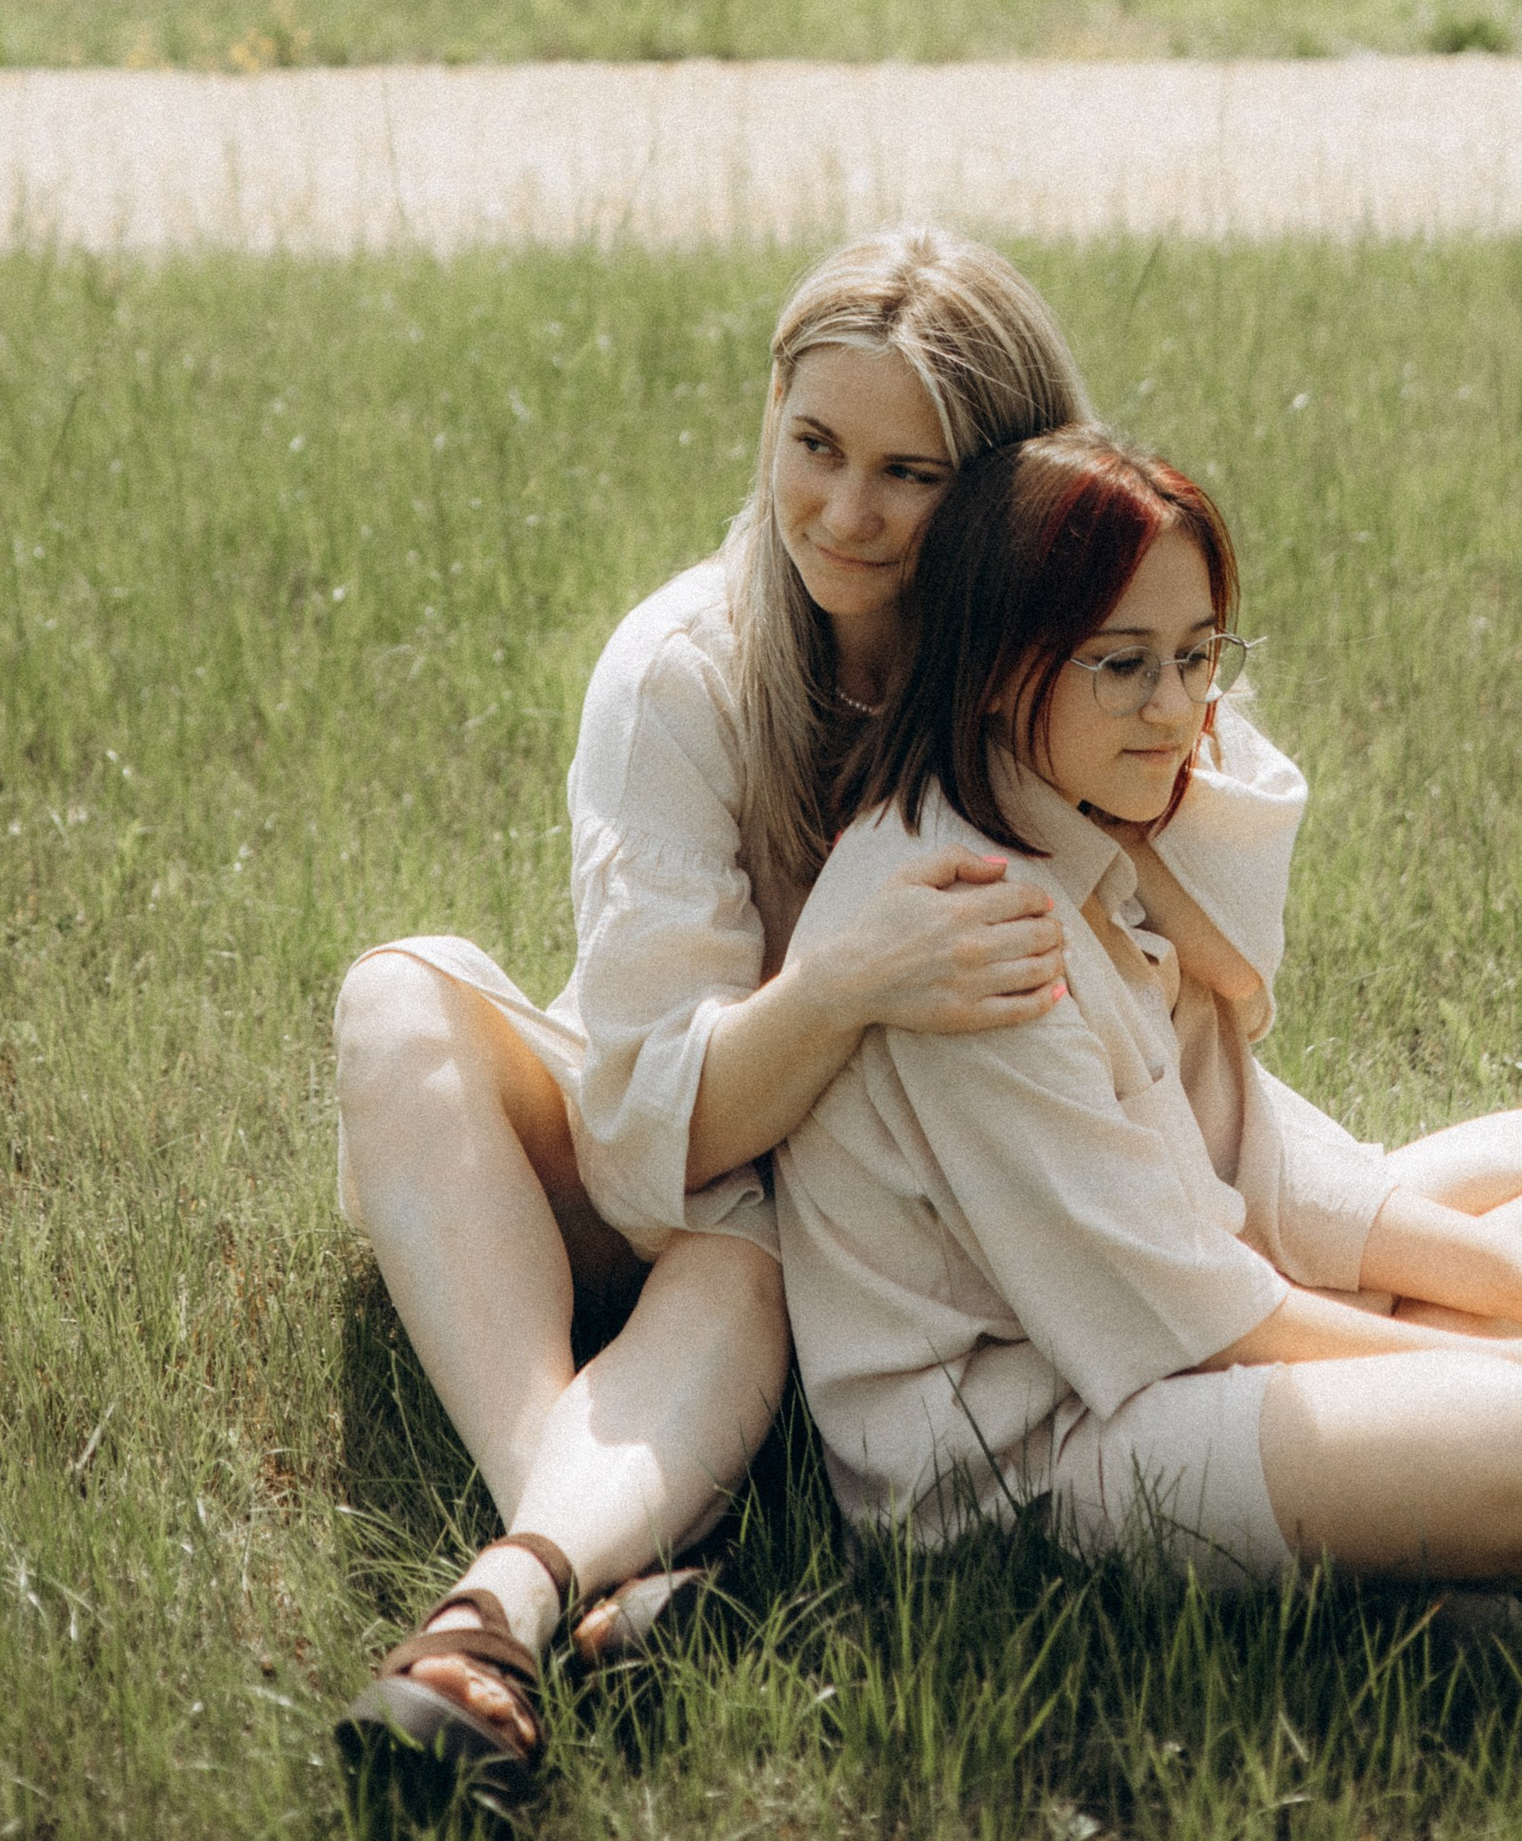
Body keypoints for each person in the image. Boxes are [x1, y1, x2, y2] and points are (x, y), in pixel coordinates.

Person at [334, 227, 1090, 1806]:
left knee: (750, 1264)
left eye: (912, 472)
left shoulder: (1072, 666)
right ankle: (566, 1571)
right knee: (399, 999)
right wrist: (843, 980)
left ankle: (517, 1597)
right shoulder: (686, 667)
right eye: (814, 446)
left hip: (911, 1218)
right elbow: (638, 1138)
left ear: (1007, 484)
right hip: (691, 1171)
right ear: (768, 416)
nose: (844, 512)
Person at [775, 427, 1522, 1593]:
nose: (1175, 709)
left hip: (1174, 1325)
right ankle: (1428, 1485)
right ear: (1001, 664)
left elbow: (1252, 1166)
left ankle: (1406, 1495)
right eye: (1124, 664)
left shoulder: (1083, 828)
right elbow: (1184, 1306)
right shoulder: (964, 923)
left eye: (1198, 657)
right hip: (1036, 1460)